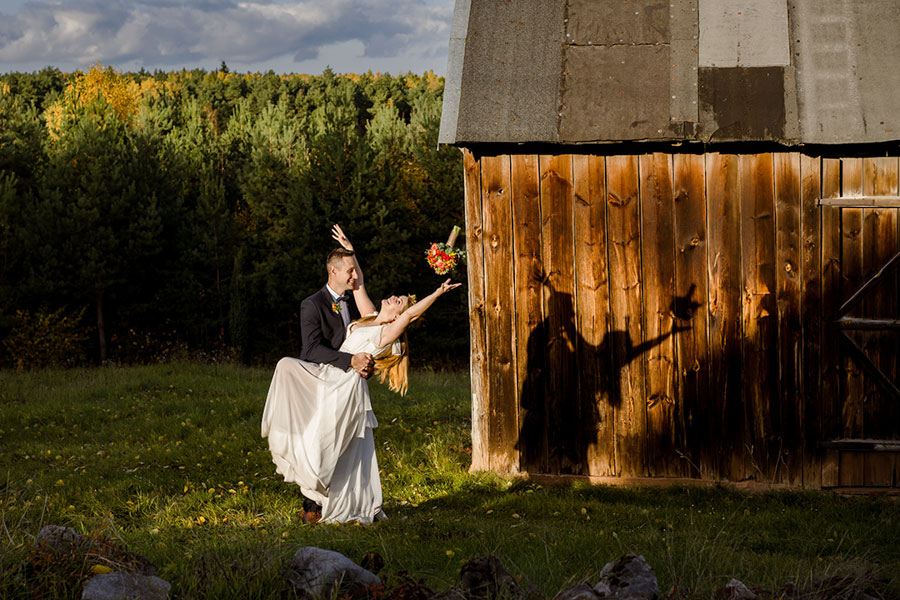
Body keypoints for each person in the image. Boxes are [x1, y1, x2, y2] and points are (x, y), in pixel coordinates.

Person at [261, 228, 461, 524]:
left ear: (396, 316)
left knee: (330, 443)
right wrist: (352, 251)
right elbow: (359, 284)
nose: (393, 297)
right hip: (330, 378)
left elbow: (408, 316)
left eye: (398, 300)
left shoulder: (385, 332)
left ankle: (320, 501)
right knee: (315, 429)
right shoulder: (367, 317)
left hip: (343, 386)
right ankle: (314, 496)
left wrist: (436, 293)